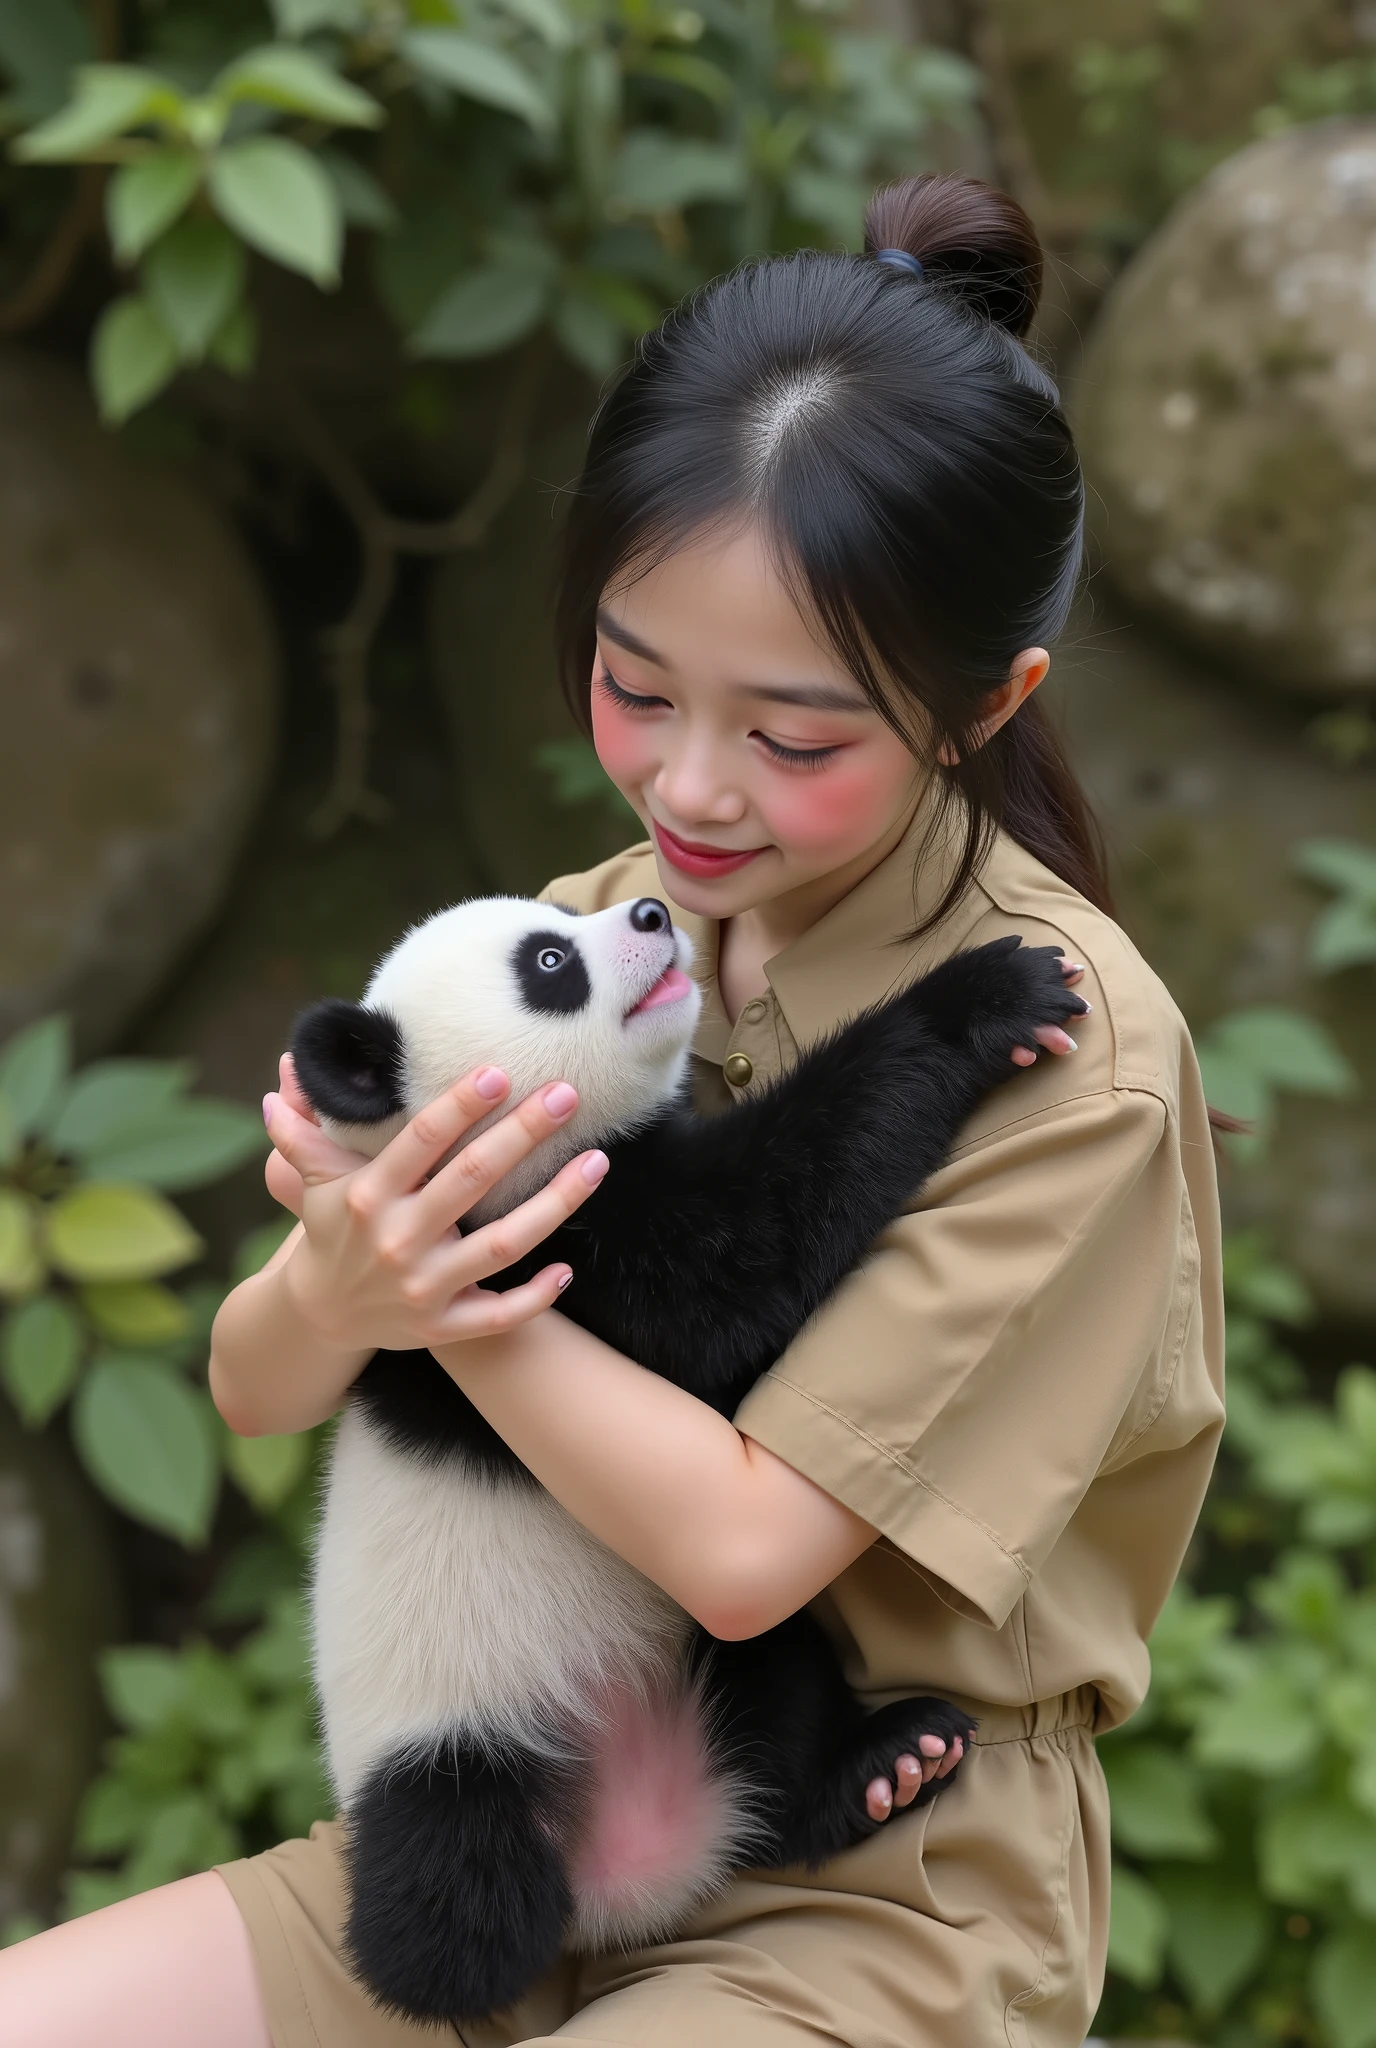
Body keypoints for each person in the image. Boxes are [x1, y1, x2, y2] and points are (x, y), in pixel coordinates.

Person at [1, 172, 1224, 2048]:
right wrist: (344, 1285)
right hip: (501, 1829)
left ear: (985, 707)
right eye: (631, 684)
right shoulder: (584, 935)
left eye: (795, 737)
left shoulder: (1081, 1056)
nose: (692, 786)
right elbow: (260, 1384)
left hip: (858, 1890)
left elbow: (742, 1552)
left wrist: (453, 1295)